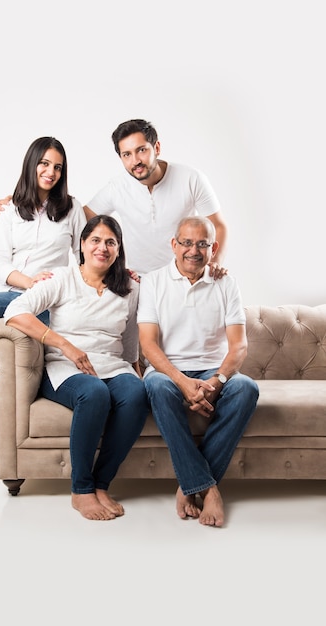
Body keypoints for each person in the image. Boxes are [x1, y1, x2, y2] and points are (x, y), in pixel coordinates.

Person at [0, 136, 87, 478]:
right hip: (10, 292)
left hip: (43, 302)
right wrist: (27, 280)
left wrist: (53, 286)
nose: (50, 172)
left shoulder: (71, 209)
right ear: (31, 163)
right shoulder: (9, 210)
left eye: (58, 167)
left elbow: (85, 257)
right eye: (45, 163)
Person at [3, 215, 149, 520]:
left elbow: (131, 337)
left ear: (119, 249)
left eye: (111, 242)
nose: (103, 247)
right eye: (95, 240)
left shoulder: (130, 288)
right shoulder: (62, 278)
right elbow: (15, 311)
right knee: (94, 394)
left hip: (111, 364)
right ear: (81, 244)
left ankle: (100, 485)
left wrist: (135, 369)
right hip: (64, 367)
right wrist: (64, 344)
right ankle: (80, 489)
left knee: (137, 394)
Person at [137, 216, 259, 527]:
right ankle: (208, 488)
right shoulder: (152, 282)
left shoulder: (226, 283)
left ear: (213, 248)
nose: (194, 250)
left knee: (246, 388)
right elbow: (149, 346)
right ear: (173, 245)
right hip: (169, 370)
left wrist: (216, 382)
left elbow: (239, 347)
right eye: (187, 243)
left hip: (212, 370)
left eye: (202, 244)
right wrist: (182, 382)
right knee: (157, 388)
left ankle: (189, 485)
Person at [0, 119, 228, 276]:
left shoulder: (191, 178)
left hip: (182, 274)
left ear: (156, 147)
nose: (135, 160)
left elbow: (217, 225)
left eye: (141, 150)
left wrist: (214, 263)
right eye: (126, 154)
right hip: (137, 278)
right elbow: (79, 217)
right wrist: (22, 203)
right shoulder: (117, 187)